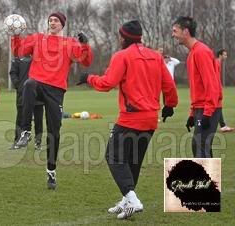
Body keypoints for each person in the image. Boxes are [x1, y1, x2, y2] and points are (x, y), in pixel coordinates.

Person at [77, 20, 178, 219]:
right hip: (150, 120)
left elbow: (107, 83)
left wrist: (88, 78)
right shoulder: (155, 57)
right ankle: (126, 201)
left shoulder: (122, 56)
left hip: (131, 118)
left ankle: (132, 199)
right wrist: (170, 105)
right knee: (133, 161)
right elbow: (169, 86)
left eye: (119, 36)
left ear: (123, 37)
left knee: (113, 156)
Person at [10, 12, 93, 189]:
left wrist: (85, 45)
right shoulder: (38, 38)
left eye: (56, 20)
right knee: (29, 84)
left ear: (62, 24)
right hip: (38, 84)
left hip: (56, 91)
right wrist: (16, 36)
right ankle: (25, 131)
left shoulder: (70, 43)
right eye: (50, 20)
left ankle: (51, 171)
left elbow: (85, 62)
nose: (52, 22)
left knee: (54, 132)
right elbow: (18, 52)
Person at [172, 16, 222, 158]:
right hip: (201, 108)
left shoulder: (201, 52)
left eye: (175, 31)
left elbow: (211, 85)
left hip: (209, 109)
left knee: (200, 147)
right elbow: (197, 89)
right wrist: (192, 114)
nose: (173, 35)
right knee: (200, 147)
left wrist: (207, 113)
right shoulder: (192, 54)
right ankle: (210, 180)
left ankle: (206, 180)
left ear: (185, 31)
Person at [9, 55, 44, 150]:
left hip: (38, 92)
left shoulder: (38, 55)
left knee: (38, 119)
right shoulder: (17, 59)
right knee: (20, 117)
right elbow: (13, 73)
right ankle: (17, 141)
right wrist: (19, 86)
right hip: (22, 93)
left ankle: (38, 142)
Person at [215, 49, 234, 132]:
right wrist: (218, 88)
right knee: (216, 106)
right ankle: (222, 126)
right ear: (220, 55)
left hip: (216, 88)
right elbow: (215, 77)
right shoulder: (217, 62)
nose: (226, 56)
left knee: (216, 107)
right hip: (215, 89)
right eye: (225, 55)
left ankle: (223, 125)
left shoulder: (218, 62)